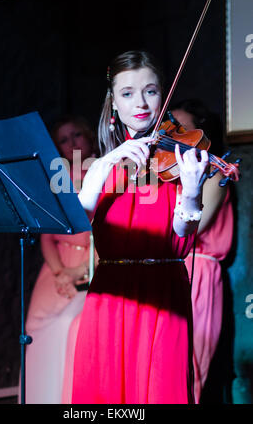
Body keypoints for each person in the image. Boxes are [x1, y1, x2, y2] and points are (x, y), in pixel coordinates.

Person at [71, 50, 211, 404]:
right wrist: (105, 164)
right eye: (128, 93)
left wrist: (192, 193)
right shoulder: (101, 166)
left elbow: (181, 236)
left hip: (164, 291)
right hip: (111, 294)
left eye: (150, 91)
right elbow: (77, 220)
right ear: (114, 103)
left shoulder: (176, 158)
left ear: (162, 95)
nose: (141, 103)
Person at [21, 115, 98, 404]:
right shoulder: (56, 179)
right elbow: (46, 236)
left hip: (92, 263)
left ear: (88, 136)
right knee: (36, 329)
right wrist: (59, 273)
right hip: (56, 267)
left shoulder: (106, 172)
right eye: (63, 140)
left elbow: (105, 233)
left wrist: (79, 270)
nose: (71, 143)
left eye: (76, 135)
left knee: (70, 328)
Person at [170, 99, 234, 403]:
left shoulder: (215, 174)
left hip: (200, 272)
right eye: (171, 128)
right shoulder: (165, 173)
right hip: (171, 268)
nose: (175, 136)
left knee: (190, 366)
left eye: (183, 128)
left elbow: (195, 226)